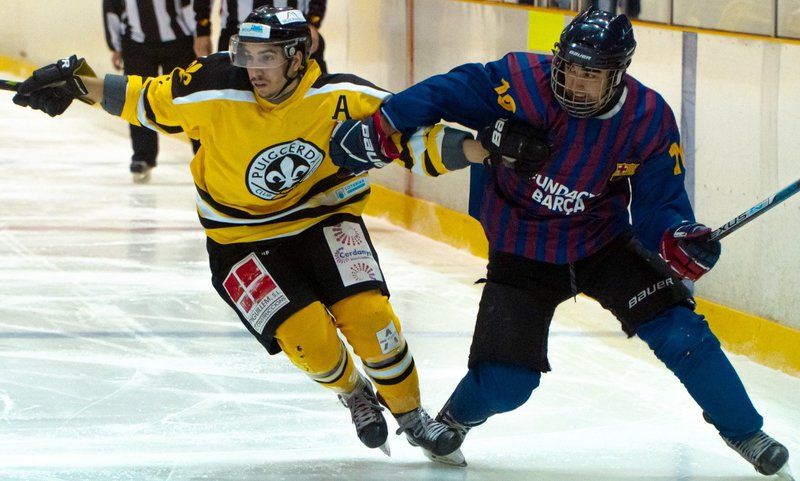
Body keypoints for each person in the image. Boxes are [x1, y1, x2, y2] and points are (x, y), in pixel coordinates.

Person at [10, 6, 503, 464]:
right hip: (237, 239)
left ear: (298, 56)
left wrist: (485, 149)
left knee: (371, 319)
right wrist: (79, 84)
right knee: (308, 339)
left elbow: (412, 139)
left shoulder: (342, 98)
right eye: (247, 55)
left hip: (323, 222)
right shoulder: (212, 87)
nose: (253, 69)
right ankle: (354, 393)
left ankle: (413, 416)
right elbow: (145, 98)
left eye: (266, 56)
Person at [328, 7, 794, 478]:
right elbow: (444, 91)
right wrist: (381, 126)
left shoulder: (649, 119)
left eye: (590, 74)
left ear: (618, 75)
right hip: (519, 249)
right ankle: (453, 420)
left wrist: (680, 238)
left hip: (603, 244)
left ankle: (744, 431)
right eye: (569, 67)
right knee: (508, 382)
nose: (574, 83)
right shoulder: (517, 82)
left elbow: (660, 208)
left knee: (681, 332)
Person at [103, 0, 203, 183]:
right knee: (137, 95)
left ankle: (204, 152)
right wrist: (115, 46)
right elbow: (112, 6)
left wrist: (199, 35)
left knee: (189, 98)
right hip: (136, 42)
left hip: (179, 40)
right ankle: (143, 156)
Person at [193, 0, 328, 74]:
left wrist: (312, 22)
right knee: (234, 103)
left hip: (292, 31)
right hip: (237, 31)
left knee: (308, 100)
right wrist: (202, 30)